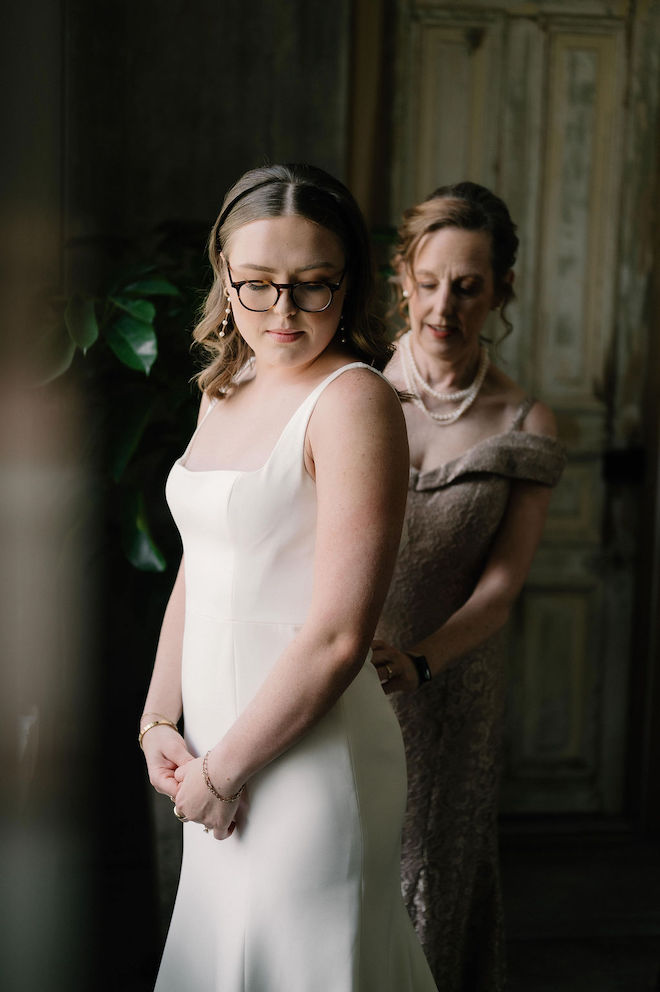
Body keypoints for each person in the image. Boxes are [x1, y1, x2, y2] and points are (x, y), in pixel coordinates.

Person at [138, 163, 438, 992]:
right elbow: (201, 566)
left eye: (312, 287)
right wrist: (160, 719)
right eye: (258, 285)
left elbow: (340, 635)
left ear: (349, 287)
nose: (282, 313)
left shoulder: (353, 401)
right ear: (223, 277)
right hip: (211, 755)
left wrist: (223, 772)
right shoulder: (222, 388)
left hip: (308, 762)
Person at [371, 181, 566, 991]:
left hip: (449, 683)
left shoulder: (528, 423)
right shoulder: (347, 393)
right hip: (344, 673)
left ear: (502, 291)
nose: (443, 305)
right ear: (403, 279)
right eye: (429, 281)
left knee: (431, 888)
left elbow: (501, 589)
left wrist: (417, 662)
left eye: (469, 285)